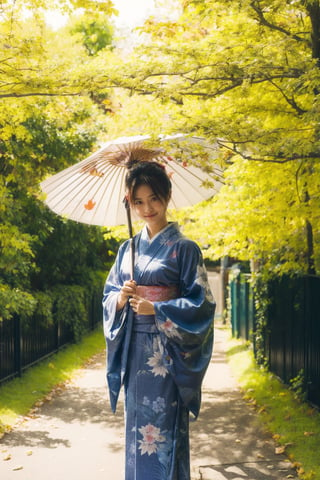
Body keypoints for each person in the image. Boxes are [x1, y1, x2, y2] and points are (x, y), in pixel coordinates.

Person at [103, 160, 215, 480]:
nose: (147, 208)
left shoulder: (185, 249)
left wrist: (160, 310)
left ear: (166, 195)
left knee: (164, 431)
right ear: (130, 203)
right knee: (137, 431)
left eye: (153, 198)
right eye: (138, 201)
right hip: (135, 351)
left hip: (167, 355)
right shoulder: (128, 249)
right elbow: (108, 296)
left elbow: (203, 304)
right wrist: (121, 298)